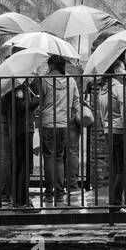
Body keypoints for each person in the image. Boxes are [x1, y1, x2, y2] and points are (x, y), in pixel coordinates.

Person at [87, 52, 126, 211]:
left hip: (109, 131)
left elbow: (102, 114)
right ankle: (116, 205)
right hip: (121, 132)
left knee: (116, 168)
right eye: (123, 68)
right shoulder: (120, 89)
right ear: (116, 71)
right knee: (122, 169)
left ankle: (114, 205)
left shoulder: (103, 89)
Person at [36, 55, 81, 203]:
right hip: (63, 124)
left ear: (51, 66)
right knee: (59, 158)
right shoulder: (71, 80)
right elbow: (76, 103)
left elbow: (39, 101)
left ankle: (49, 194)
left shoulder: (44, 80)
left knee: (48, 158)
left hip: (48, 123)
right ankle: (60, 193)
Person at [0, 74, 40, 207]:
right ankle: (21, 200)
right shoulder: (17, 88)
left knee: (20, 165)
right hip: (21, 129)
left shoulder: (18, 86)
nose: (32, 74)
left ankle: (18, 198)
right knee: (23, 166)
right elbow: (21, 106)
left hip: (19, 129)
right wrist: (36, 100)